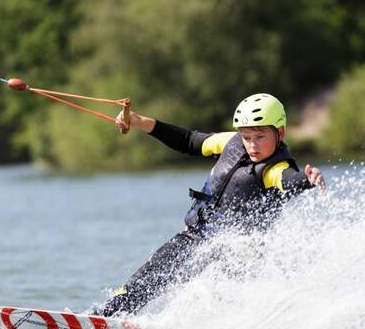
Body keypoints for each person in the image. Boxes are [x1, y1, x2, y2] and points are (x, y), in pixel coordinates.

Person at [91, 93, 326, 317]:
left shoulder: (275, 170)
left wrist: (308, 179)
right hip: (196, 236)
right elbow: (188, 140)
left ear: (280, 133)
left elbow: (289, 181)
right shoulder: (229, 143)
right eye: (246, 137)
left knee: (208, 278)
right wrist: (138, 121)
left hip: (239, 252)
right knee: (147, 278)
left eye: (260, 137)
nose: (252, 145)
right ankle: (103, 319)